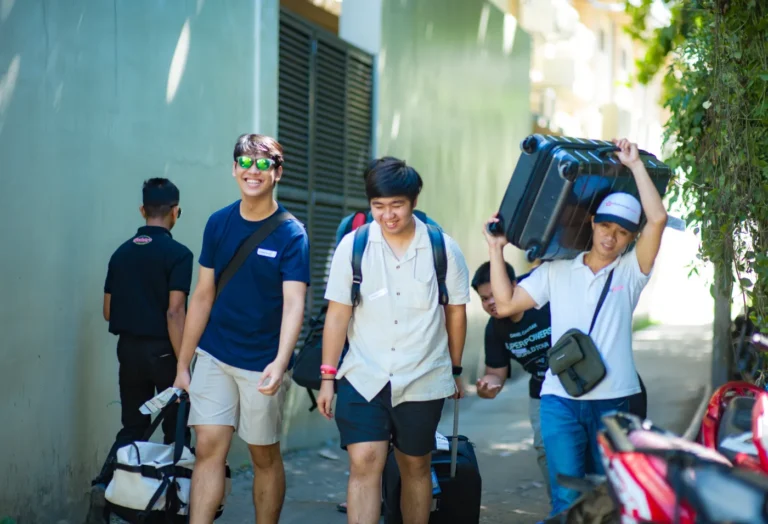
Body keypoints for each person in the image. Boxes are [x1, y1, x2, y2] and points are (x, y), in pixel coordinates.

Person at [483, 138, 667, 516]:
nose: (610, 236)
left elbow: (658, 219)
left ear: (631, 237)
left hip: (615, 402)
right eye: (605, 225)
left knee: (613, 499)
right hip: (560, 401)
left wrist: (635, 167)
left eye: (621, 231)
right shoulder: (556, 268)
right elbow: (504, 304)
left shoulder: (631, 271)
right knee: (566, 497)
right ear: (592, 221)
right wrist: (496, 250)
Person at [317, 157, 470, 524]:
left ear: (413, 202)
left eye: (396, 205)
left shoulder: (443, 249)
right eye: (378, 207)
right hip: (363, 374)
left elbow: (456, 313)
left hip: (422, 377)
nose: (387, 215)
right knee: (364, 461)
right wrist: (328, 377)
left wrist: (454, 369)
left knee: (415, 465)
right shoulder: (353, 247)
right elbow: (337, 315)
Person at [173, 134, 310, 524]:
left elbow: (294, 304)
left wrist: (281, 362)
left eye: (264, 164)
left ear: (277, 173)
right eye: (245, 162)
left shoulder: (291, 234)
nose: (254, 171)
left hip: (261, 362)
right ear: (234, 168)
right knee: (208, 449)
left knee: (262, 454)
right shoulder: (218, 223)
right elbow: (201, 297)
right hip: (214, 354)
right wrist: (184, 364)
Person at [87, 178, 193, 522]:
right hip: (165, 353)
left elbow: (108, 310)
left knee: (132, 426)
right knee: (176, 429)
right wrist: (184, 364)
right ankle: (171, 507)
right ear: (176, 211)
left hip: (128, 351)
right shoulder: (179, 255)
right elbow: (175, 312)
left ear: (142, 210)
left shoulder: (121, 252)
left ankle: (106, 489)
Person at [471, 261, 552, 501]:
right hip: (542, 392)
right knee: (546, 450)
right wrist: (489, 384)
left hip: (583, 387)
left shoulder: (545, 302)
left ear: (514, 286)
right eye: (485, 299)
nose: (491, 303)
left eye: (495, 294)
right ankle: (565, 509)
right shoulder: (495, 328)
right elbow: (496, 371)